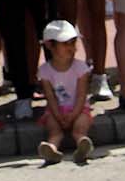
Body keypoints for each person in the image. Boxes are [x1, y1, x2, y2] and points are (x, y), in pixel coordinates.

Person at [36, 18, 92, 164]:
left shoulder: (81, 68)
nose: (71, 47)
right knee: (54, 130)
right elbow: (50, 97)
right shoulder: (45, 71)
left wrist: (74, 114)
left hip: (79, 109)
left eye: (73, 43)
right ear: (50, 45)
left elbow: (81, 95)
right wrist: (58, 115)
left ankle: (82, 145)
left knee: (79, 128)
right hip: (56, 110)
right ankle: (52, 149)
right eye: (65, 44)